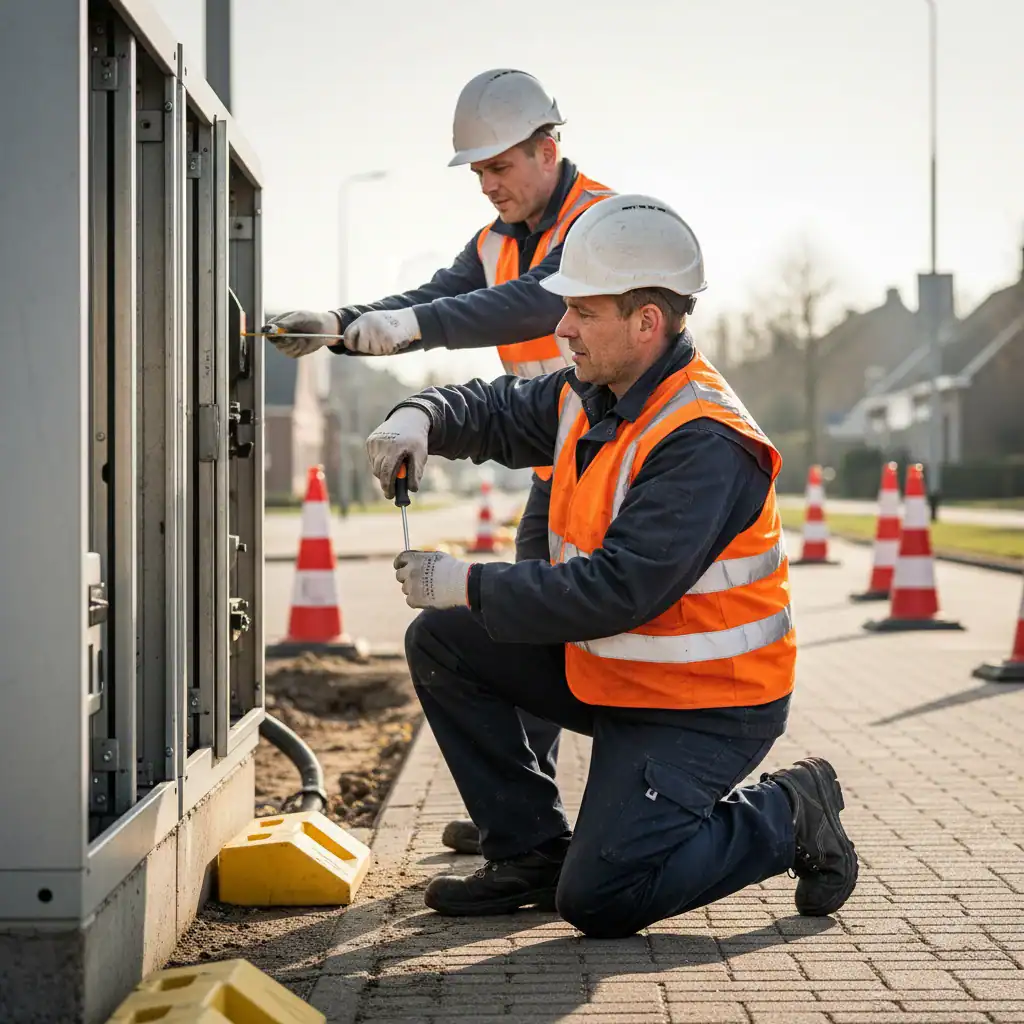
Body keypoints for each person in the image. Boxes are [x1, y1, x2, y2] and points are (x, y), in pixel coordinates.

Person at [364, 195, 858, 936]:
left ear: (647, 323)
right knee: (444, 639)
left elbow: (617, 590)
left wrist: (464, 580)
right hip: (620, 674)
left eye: (581, 313)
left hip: (705, 705)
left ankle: (791, 811)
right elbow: (496, 410)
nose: (560, 328)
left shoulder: (705, 440)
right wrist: (422, 415)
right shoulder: (589, 392)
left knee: (602, 898)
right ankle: (528, 855)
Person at [268, 69, 614, 856]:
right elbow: (440, 294)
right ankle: (524, 820)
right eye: (479, 172)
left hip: (613, 457)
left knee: (567, 625)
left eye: (500, 166)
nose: (487, 185)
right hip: (553, 459)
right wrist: (336, 321)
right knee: (527, 636)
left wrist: (419, 324)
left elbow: (527, 302)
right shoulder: (492, 242)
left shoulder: (599, 223)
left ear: (549, 148)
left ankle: (559, 819)